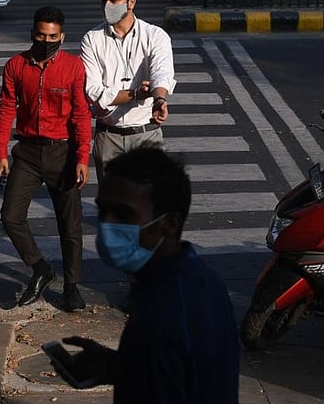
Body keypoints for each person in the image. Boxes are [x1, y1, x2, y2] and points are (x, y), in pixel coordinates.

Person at [50, 145, 240, 403]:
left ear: (169, 224)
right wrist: (114, 366)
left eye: (124, 214)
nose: (108, 224)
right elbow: (179, 372)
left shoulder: (164, 310)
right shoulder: (199, 279)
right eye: (102, 211)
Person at [0, 6, 92, 311]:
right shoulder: (15, 65)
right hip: (27, 152)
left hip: (62, 153)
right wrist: (1, 154)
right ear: (32, 33)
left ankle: (72, 286)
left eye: (52, 36)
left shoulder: (73, 67)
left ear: (62, 37)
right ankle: (40, 268)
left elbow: (81, 114)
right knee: (10, 216)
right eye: (41, 34)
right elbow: (6, 109)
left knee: (70, 225)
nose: (46, 40)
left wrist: (82, 158)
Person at [80, 0, 176, 181]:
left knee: (149, 205)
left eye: (114, 1)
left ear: (131, 2)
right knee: (113, 207)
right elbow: (93, 91)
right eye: (104, 1)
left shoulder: (155, 36)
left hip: (146, 134)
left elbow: (162, 72)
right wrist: (134, 94)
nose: (108, 7)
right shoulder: (92, 39)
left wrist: (159, 98)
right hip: (108, 136)